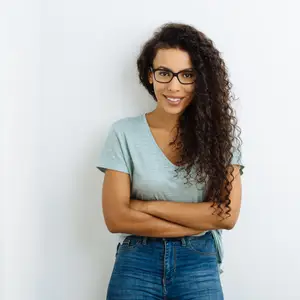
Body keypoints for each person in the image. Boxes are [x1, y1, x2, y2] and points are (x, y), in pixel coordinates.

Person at [96, 22, 245, 300]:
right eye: (164, 73)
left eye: (186, 75)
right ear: (150, 76)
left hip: (198, 261)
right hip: (137, 261)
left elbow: (226, 215)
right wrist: (199, 221)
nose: (174, 86)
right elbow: (116, 218)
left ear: (200, 80)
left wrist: (144, 206)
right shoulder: (123, 133)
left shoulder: (221, 138)